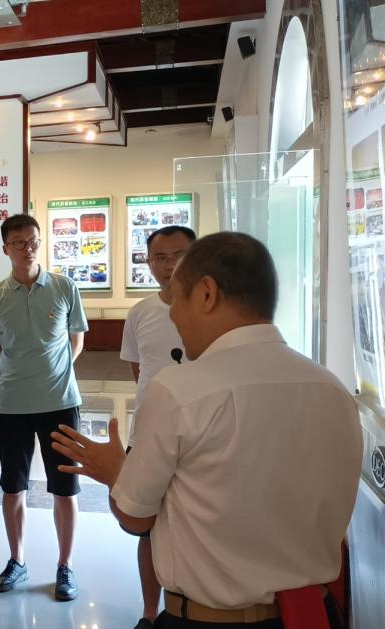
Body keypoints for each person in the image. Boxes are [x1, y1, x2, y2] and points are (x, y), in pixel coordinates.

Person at [52, 232, 362, 629]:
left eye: (178, 300)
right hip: (312, 615)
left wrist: (115, 471)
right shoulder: (333, 390)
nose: (174, 316)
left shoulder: (180, 390)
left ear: (206, 293)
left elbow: (135, 519)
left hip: (208, 620)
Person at [0, 214, 87, 600]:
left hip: (60, 402)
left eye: (33, 241)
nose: (28, 248)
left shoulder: (64, 286)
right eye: (19, 242)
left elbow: (76, 340)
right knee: (13, 487)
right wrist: (18, 377)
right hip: (12, 406)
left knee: (65, 488)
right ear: (5, 248)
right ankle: (17, 560)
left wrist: (53, 372)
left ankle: (65, 565)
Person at [119, 225, 196, 629]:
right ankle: (151, 613)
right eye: (160, 258)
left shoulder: (212, 311)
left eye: (179, 256)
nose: (169, 266)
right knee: (145, 529)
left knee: (194, 527)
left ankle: (191, 609)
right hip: (147, 435)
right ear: (148, 263)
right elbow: (139, 370)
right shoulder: (141, 313)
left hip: (200, 436)